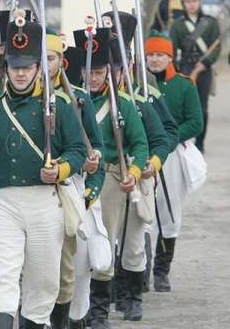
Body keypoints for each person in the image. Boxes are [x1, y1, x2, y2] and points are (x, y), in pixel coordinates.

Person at [0, 13, 88, 329]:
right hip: (1, 203)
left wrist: (61, 169)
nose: (21, 74)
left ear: (39, 69)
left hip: (45, 201)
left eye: (27, 67)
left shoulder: (60, 106)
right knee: (3, 276)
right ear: (6, 70)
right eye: (15, 68)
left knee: (42, 282)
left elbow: (79, 151)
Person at [103, 10, 174, 322]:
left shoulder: (142, 102)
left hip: (136, 178)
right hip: (104, 180)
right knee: (102, 244)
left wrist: (152, 164)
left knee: (133, 246)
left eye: (117, 69)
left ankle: (132, 297)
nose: (112, 75)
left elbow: (161, 139)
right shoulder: (85, 104)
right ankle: (102, 300)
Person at [77, 25, 149, 329]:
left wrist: (133, 172)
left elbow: (142, 144)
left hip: (109, 180)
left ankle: (99, 311)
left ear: (109, 72)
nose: (93, 78)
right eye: (88, 72)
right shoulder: (74, 102)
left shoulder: (122, 105)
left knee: (103, 244)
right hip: (74, 178)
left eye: (99, 72)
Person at [49, 35, 105, 329]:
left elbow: (97, 147)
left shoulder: (80, 99)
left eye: (51, 58)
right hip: (39, 192)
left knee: (80, 263)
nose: (45, 65)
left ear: (61, 62)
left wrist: (91, 187)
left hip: (74, 188)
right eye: (40, 59)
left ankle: (78, 317)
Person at [143, 32, 204, 293]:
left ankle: (161, 271)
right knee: (139, 214)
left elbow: (195, 121)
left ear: (170, 57)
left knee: (168, 212)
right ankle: (139, 272)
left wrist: (167, 139)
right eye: (151, 54)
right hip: (141, 154)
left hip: (170, 155)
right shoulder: (136, 82)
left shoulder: (184, 85)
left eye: (160, 55)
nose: (155, 60)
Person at [169, 0, 221, 154]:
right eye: (188, 1)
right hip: (184, 67)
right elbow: (172, 50)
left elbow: (216, 47)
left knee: (202, 105)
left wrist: (205, 64)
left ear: (199, 2)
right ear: (184, 2)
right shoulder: (177, 25)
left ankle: (200, 142)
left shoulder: (211, 23)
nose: (191, 5)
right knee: (182, 105)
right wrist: (174, 70)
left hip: (203, 68)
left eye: (194, 1)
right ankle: (184, 139)